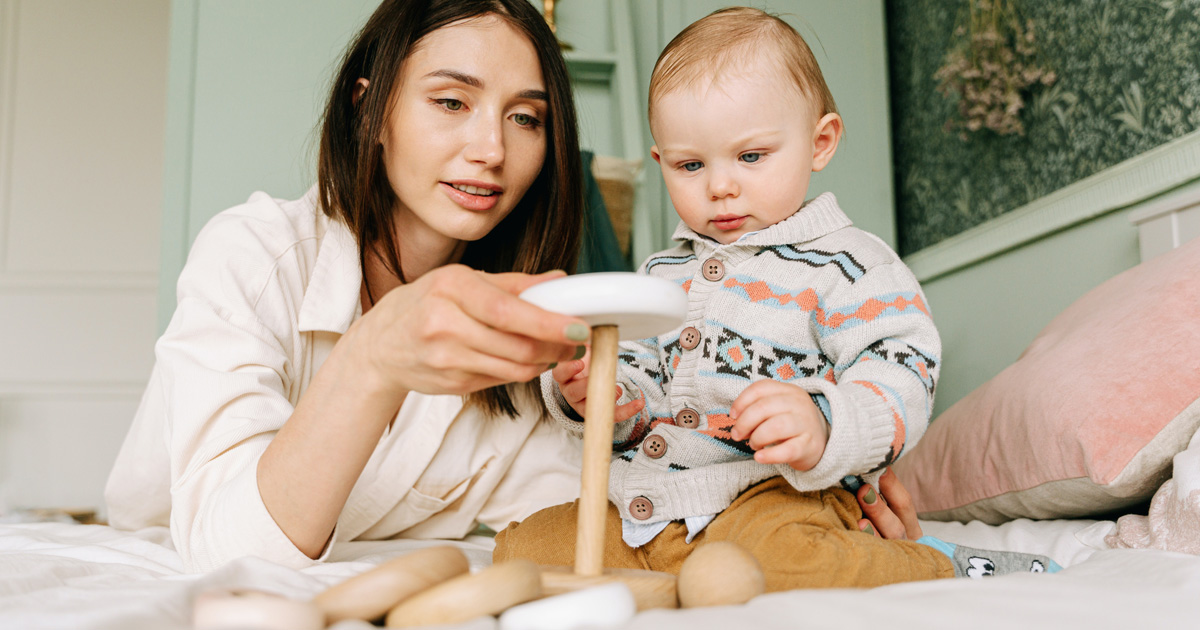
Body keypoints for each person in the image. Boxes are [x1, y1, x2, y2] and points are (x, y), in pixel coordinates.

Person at [494, 7, 1060, 587]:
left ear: (820, 142)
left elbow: (904, 368)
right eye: (691, 165)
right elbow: (637, 394)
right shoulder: (660, 273)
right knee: (524, 548)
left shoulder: (851, 265)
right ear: (662, 163)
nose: (720, 186)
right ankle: (679, 581)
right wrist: (603, 396)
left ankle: (946, 564)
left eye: (751, 156)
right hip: (652, 505)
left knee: (783, 558)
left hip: (778, 497)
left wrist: (822, 420)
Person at [104, 0, 599, 573]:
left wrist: (621, 421)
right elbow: (232, 552)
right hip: (166, 564)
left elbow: (578, 528)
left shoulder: (518, 331)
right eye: (450, 102)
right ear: (369, 110)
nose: (492, 149)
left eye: (525, 118)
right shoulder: (252, 255)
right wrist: (373, 359)